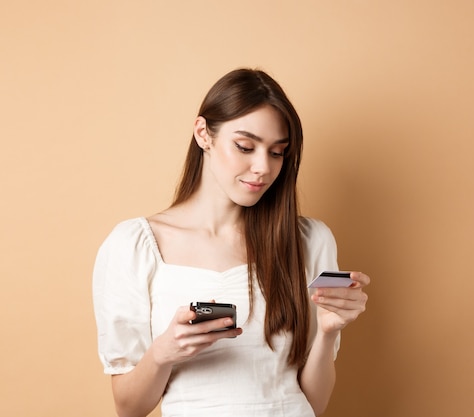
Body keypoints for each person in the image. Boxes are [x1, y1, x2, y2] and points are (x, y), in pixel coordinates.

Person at [92, 68, 370, 417]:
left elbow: (313, 403)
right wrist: (165, 351)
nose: (262, 168)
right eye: (245, 147)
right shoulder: (133, 246)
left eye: (277, 152)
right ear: (203, 134)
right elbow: (129, 408)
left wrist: (328, 331)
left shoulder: (310, 240)